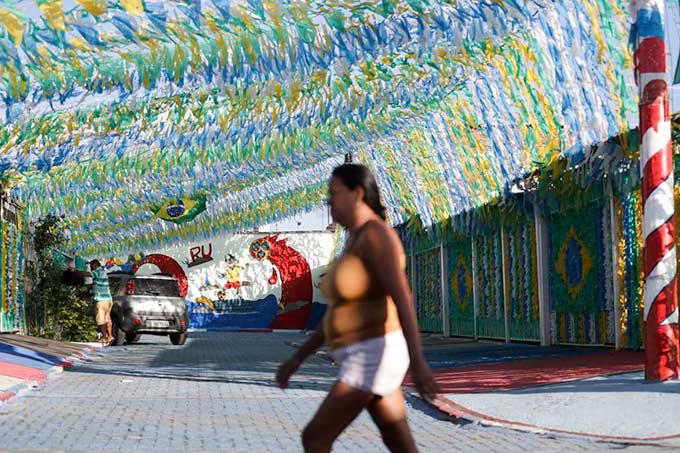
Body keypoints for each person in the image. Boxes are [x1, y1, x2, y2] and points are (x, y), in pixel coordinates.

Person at [276, 164, 440, 453]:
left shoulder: (378, 236)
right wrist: (298, 358)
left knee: (315, 438)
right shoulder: (354, 239)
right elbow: (338, 314)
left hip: (376, 354)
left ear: (358, 193)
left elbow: (402, 298)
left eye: (334, 194)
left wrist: (419, 363)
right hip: (364, 354)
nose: (329, 202)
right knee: (398, 441)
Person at [89, 259, 114, 346]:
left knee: (101, 320)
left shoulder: (97, 271)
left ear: (94, 265)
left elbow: (88, 274)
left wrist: (75, 271)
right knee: (107, 318)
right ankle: (110, 336)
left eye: (90, 266)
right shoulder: (103, 272)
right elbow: (95, 283)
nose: (90, 268)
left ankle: (104, 337)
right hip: (109, 300)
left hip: (101, 300)